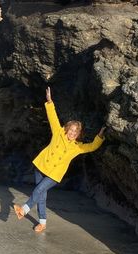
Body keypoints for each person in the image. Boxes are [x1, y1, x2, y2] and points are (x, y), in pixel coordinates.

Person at [13, 86, 106, 233]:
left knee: (38, 190)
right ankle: (42, 223)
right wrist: (49, 101)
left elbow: (92, 146)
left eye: (76, 131)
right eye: (72, 129)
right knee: (41, 195)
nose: (73, 133)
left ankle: (24, 210)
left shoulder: (77, 147)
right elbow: (52, 117)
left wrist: (100, 135)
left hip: (54, 174)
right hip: (41, 165)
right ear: (67, 128)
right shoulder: (58, 132)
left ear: (78, 134)